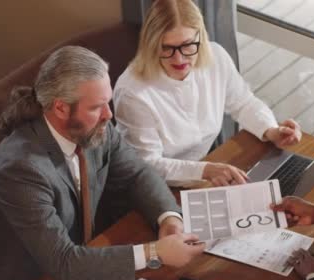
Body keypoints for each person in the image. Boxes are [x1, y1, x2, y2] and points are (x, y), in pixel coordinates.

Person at [0, 46, 205, 280]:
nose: (109, 115)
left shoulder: (93, 128)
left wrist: (168, 220)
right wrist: (155, 253)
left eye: (107, 103)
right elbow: (64, 264)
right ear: (61, 108)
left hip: (77, 267)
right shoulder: (20, 171)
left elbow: (138, 173)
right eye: (97, 107)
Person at [113, 0, 302, 187]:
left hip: (205, 173)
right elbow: (148, 164)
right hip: (154, 189)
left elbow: (243, 103)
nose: (179, 58)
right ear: (152, 44)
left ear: (200, 37)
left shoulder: (216, 56)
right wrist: (205, 170)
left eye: (187, 45)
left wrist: (271, 130)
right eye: (167, 47)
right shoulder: (132, 93)